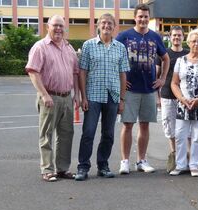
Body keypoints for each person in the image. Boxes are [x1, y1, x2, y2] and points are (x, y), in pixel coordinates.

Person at [74, 14, 130, 181]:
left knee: (108, 134)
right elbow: (82, 72)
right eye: (103, 23)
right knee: (88, 132)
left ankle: (103, 165)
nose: (106, 26)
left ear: (114, 27)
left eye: (110, 23)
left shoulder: (120, 47)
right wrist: (83, 97)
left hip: (112, 97)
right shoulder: (88, 45)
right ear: (98, 26)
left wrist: (121, 99)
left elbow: (123, 75)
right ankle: (83, 167)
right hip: (93, 96)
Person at [116, 3, 169, 174]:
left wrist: (161, 79)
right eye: (140, 16)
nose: (143, 19)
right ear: (135, 17)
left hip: (148, 89)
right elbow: (113, 58)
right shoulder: (124, 36)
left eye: (146, 16)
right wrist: (120, 80)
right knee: (128, 125)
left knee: (144, 125)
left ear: (149, 18)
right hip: (130, 90)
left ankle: (141, 160)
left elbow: (166, 58)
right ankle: (124, 161)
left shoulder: (155, 36)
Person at [26, 15, 80, 182]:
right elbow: (33, 72)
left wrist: (76, 94)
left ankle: (62, 169)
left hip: (66, 97)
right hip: (50, 97)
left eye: (61, 26)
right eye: (55, 25)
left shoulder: (69, 48)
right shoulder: (40, 47)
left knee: (66, 134)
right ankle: (47, 170)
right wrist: (44, 94)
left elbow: (75, 73)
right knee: (46, 134)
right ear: (47, 26)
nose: (58, 29)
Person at [170, 29, 198, 177]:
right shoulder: (180, 61)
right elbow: (174, 83)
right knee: (180, 135)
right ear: (188, 42)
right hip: (183, 104)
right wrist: (182, 99)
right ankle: (181, 164)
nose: (196, 44)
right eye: (193, 41)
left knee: (197, 136)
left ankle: (194, 164)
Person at [156, 26, 189, 172]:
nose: (176, 38)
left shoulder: (187, 54)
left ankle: (188, 156)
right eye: (174, 35)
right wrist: (157, 96)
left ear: (183, 37)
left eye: (179, 35)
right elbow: (157, 75)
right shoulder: (163, 54)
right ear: (170, 37)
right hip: (167, 95)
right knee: (170, 127)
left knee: (186, 128)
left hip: (185, 97)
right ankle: (174, 155)